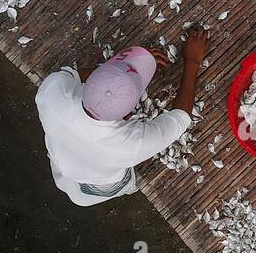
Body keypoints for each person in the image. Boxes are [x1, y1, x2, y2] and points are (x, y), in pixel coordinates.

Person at [36, 24, 208, 206]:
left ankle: (70, 186)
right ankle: (123, 189)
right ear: (128, 115)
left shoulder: (52, 94)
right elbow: (180, 117)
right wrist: (192, 63)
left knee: (67, 178)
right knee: (119, 186)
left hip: (62, 158)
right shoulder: (130, 145)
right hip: (101, 185)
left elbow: (75, 76)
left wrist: (118, 74)